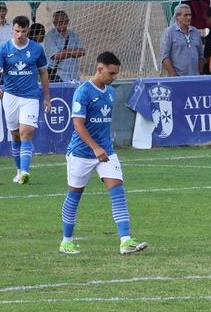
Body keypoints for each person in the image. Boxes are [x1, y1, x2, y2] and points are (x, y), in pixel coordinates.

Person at [59, 51, 149, 256]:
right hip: (81, 152)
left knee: (117, 191)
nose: (114, 77)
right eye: (111, 73)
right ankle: (66, 242)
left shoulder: (110, 92)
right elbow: (78, 125)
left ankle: (125, 241)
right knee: (74, 195)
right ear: (100, 69)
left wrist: (103, 146)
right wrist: (95, 147)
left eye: (116, 73)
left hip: (106, 152)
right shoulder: (83, 92)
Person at [0, 15, 51, 185]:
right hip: (10, 97)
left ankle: (24, 172)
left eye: (23, 31)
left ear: (28, 31)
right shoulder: (4, 49)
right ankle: (18, 170)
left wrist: (47, 97)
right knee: (15, 135)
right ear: (12, 30)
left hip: (30, 97)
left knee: (26, 132)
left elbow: (43, 72)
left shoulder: (37, 49)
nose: (20, 34)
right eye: (17, 31)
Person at [159, 4, 205, 77]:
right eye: (185, 15)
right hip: (178, 78)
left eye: (190, 15)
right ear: (177, 16)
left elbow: (201, 55)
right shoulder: (169, 32)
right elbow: (164, 56)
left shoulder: (195, 32)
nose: (189, 17)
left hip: (195, 77)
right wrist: (174, 75)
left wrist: (200, 73)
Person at [44, 10, 85, 83]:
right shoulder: (49, 36)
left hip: (74, 76)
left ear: (67, 21)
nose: (60, 23)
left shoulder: (73, 35)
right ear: (54, 23)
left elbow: (82, 52)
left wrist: (65, 52)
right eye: (57, 21)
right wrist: (74, 52)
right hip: (57, 76)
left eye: (63, 21)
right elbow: (57, 56)